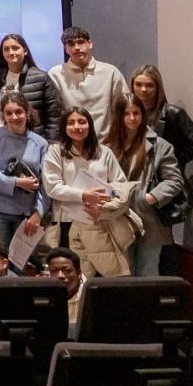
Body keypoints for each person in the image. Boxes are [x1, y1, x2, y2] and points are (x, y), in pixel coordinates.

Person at [44, 106, 132, 278]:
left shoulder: (104, 152)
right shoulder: (55, 152)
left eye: (82, 122)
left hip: (99, 220)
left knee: (102, 276)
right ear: (64, 127)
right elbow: (52, 187)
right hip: (67, 222)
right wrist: (84, 195)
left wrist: (107, 199)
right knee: (72, 277)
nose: (77, 126)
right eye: (71, 123)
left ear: (90, 126)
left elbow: (120, 184)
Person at [103, 94, 182, 277]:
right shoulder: (106, 146)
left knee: (148, 271)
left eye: (136, 113)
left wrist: (151, 197)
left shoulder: (160, 146)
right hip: (118, 217)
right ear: (118, 116)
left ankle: (147, 307)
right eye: (127, 113)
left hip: (149, 219)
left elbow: (174, 180)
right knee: (123, 272)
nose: (132, 118)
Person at [0, 90, 50, 254]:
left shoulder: (41, 144)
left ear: (27, 112)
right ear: (2, 116)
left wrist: (39, 212)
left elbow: (46, 183)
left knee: (21, 265)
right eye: (9, 113)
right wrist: (16, 182)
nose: (14, 117)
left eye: (18, 112)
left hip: (26, 214)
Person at [0, 33, 62, 140]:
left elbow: (54, 116)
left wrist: (50, 143)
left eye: (15, 48)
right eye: (6, 49)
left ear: (25, 51)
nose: (11, 52)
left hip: (31, 140)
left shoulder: (41, 78)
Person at [48, 26, 127, 138]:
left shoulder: (110, 72)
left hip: (106, 144)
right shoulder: (55, 74)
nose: (77, 48)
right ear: (66, 49)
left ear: (90, 43)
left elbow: (124, 109)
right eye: (71, 44)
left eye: (81, 42)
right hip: (71, 144)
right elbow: (52, 115)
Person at [131, 64, 193, 169]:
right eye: (138, 84)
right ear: (132, 85)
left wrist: (173, 159)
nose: (143, 89)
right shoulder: (127, 114)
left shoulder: (172, 113)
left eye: (149, 85)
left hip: (165, 177)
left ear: (158, 87)